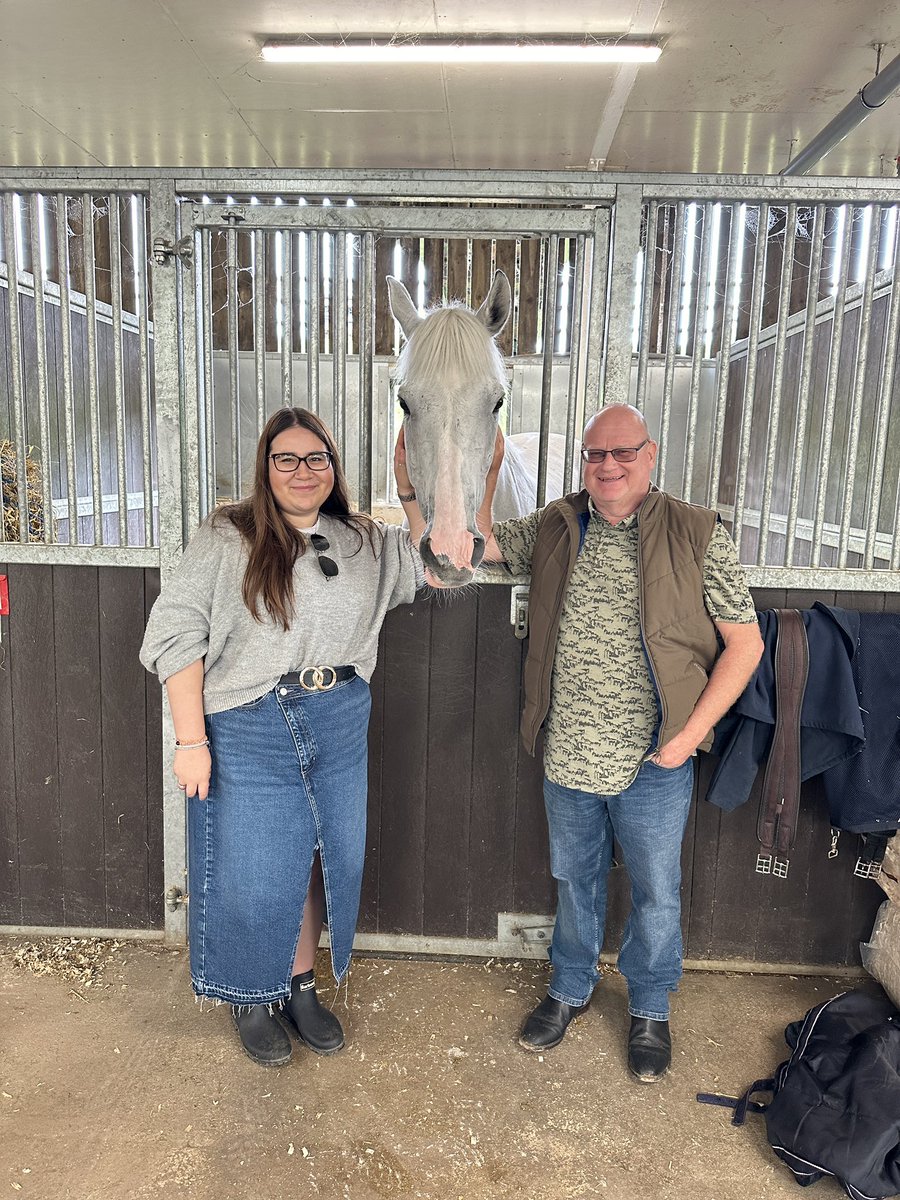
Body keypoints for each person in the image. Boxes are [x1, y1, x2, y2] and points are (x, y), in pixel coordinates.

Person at [397, 403, 763, 1082]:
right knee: (576, 879)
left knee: (656, 889)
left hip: (656, 756)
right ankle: (570, 986)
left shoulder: (697, 533)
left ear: (650, 456)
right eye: (595, 455)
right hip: (568, 751)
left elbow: (745, 643)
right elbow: (468, 547)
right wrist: (450, 475)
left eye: (623, 453)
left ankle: (650, 1006)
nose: (608, 466)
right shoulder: (558, 524)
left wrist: (690, 734)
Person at [140, 407, 425, 1067]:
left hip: (340, 716)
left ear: (334, 468)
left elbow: (440, 558)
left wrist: (411, 484)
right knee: (251, 870)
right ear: (265, 468)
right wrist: (191, 741)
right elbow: (177, 632)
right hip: (249, 721)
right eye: (286, 459)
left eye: (316, 458)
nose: (303, 471)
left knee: (318, 863)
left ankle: (298, 985)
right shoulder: (227, 535)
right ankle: (251, 995)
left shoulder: (363, 540)